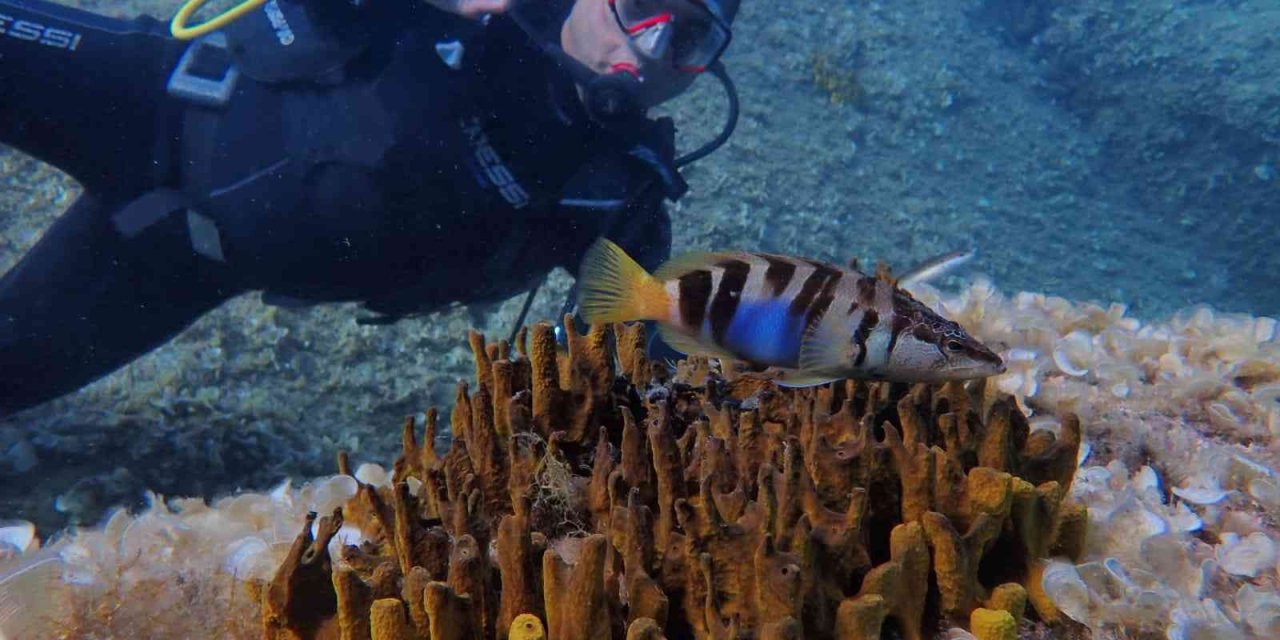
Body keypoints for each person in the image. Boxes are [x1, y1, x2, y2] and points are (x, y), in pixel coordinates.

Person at [0, 0, 740, 414]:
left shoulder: (616, 193)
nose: (650, 50)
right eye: (641, 7)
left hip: (176, 262)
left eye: (691, 38)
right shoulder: (482, 11)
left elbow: (640, 350)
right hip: (152, 97)